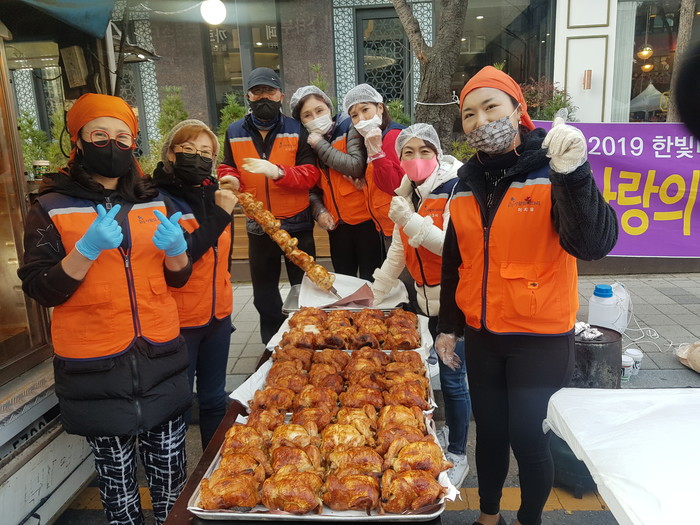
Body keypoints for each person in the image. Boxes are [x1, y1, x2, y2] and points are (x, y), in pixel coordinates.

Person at [436, 66, 618, 525]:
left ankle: (528, 519)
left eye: (491, 107)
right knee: (490, 434)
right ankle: (489, 515)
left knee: (529, 438)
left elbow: (593, 244)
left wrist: (574, 175)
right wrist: (448, 327)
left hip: (540, 338)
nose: (481, 121)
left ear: (518, 109)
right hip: (483, 336)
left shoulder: (553, 169)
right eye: (469, 114)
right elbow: (455, 263)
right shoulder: (464, 183)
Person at [17, 93, 192, 525]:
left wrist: (177, 253)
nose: (112, 145)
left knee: (173, 483)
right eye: (99, 136)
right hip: (96, 369)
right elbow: (40, 289)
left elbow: (178, 279)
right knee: (117, 491)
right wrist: (86, 250)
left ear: (133, 143)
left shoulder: (156, 200)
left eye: (122, 136)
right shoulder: (50, 207)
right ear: (78, 141)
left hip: (161, 361)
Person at [370, 123, 471, 487]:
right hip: (425, 302)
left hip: (455, 304)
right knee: (436, 375)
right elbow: (398, 250)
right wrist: (375, 291)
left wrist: (410, 220)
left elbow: (452, 248)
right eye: (408, 153)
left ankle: (458, 453)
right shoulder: (406, 193)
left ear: (437, 154)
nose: (416, 159)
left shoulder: (455, 189)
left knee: (454, 380)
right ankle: (446, 434)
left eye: (424, 151)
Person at [217, 68, 320, 344]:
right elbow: (228, 165)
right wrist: (229, 177)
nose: (264, 97)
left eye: (270, 92)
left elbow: (311, 174)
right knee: (264, 294)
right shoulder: (234, 131)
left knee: (305, 289)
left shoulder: (296, 129)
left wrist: (278, 171)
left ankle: (306, 340)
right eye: (258, 92)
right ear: (248, 97)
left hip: (297, 222)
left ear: (281, 96)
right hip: (259, 224)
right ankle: (273, 345)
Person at [152, 119, 237, 450]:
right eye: (188, 149)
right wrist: (220, 215)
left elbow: (222, 257)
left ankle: (213, 468)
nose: (197, 157)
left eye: (206, 152)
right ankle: (174, 472)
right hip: (180, 320)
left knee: (215, 398)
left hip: (217, 317)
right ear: (171, 154)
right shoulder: (157, 199)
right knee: (180, 403)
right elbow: (184, 255)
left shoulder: (215, 195)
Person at [290, 85, 382, 281]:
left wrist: (320, 145)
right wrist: (319, 212)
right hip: (337, 225)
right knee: (344, 280)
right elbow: (311, 188)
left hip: (365, 219)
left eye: (319, 110)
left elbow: (355, 166)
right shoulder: (307, 143)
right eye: (307, 115)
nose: (315, 118)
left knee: (372, 279)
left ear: (329, 107)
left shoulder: (349, 127)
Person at [341, 83, 406, 250]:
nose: (361, 119)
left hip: (399, 228)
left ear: (380, 108)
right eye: (354, 115)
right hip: (385, 225)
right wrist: (364, 186)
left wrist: (377, 153)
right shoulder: (370, 140)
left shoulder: (392, 137)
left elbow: (396, 186)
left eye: (365, 110)